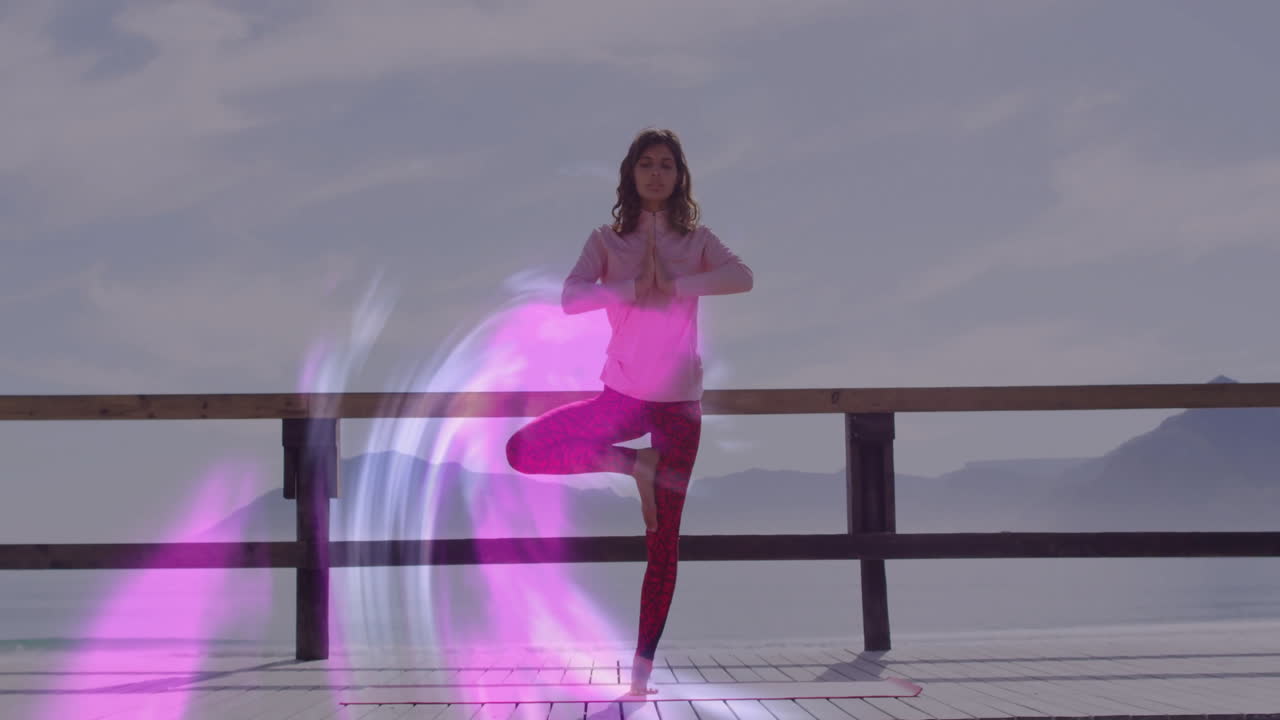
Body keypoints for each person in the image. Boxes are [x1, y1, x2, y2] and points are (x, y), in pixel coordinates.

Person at [505, 127, 753, 695]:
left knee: (664, 543)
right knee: (523, 450)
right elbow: (569, 298)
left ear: (680, 176)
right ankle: (631, 466)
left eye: (667, 165)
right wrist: (628, 291)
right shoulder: (606, 241)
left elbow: (743, 277)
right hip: (619, 399)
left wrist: (677, 285)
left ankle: (640, 678)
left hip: (676, 409)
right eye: (647, 164)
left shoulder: (697, 240)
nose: (657, 174)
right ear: (631, 174)